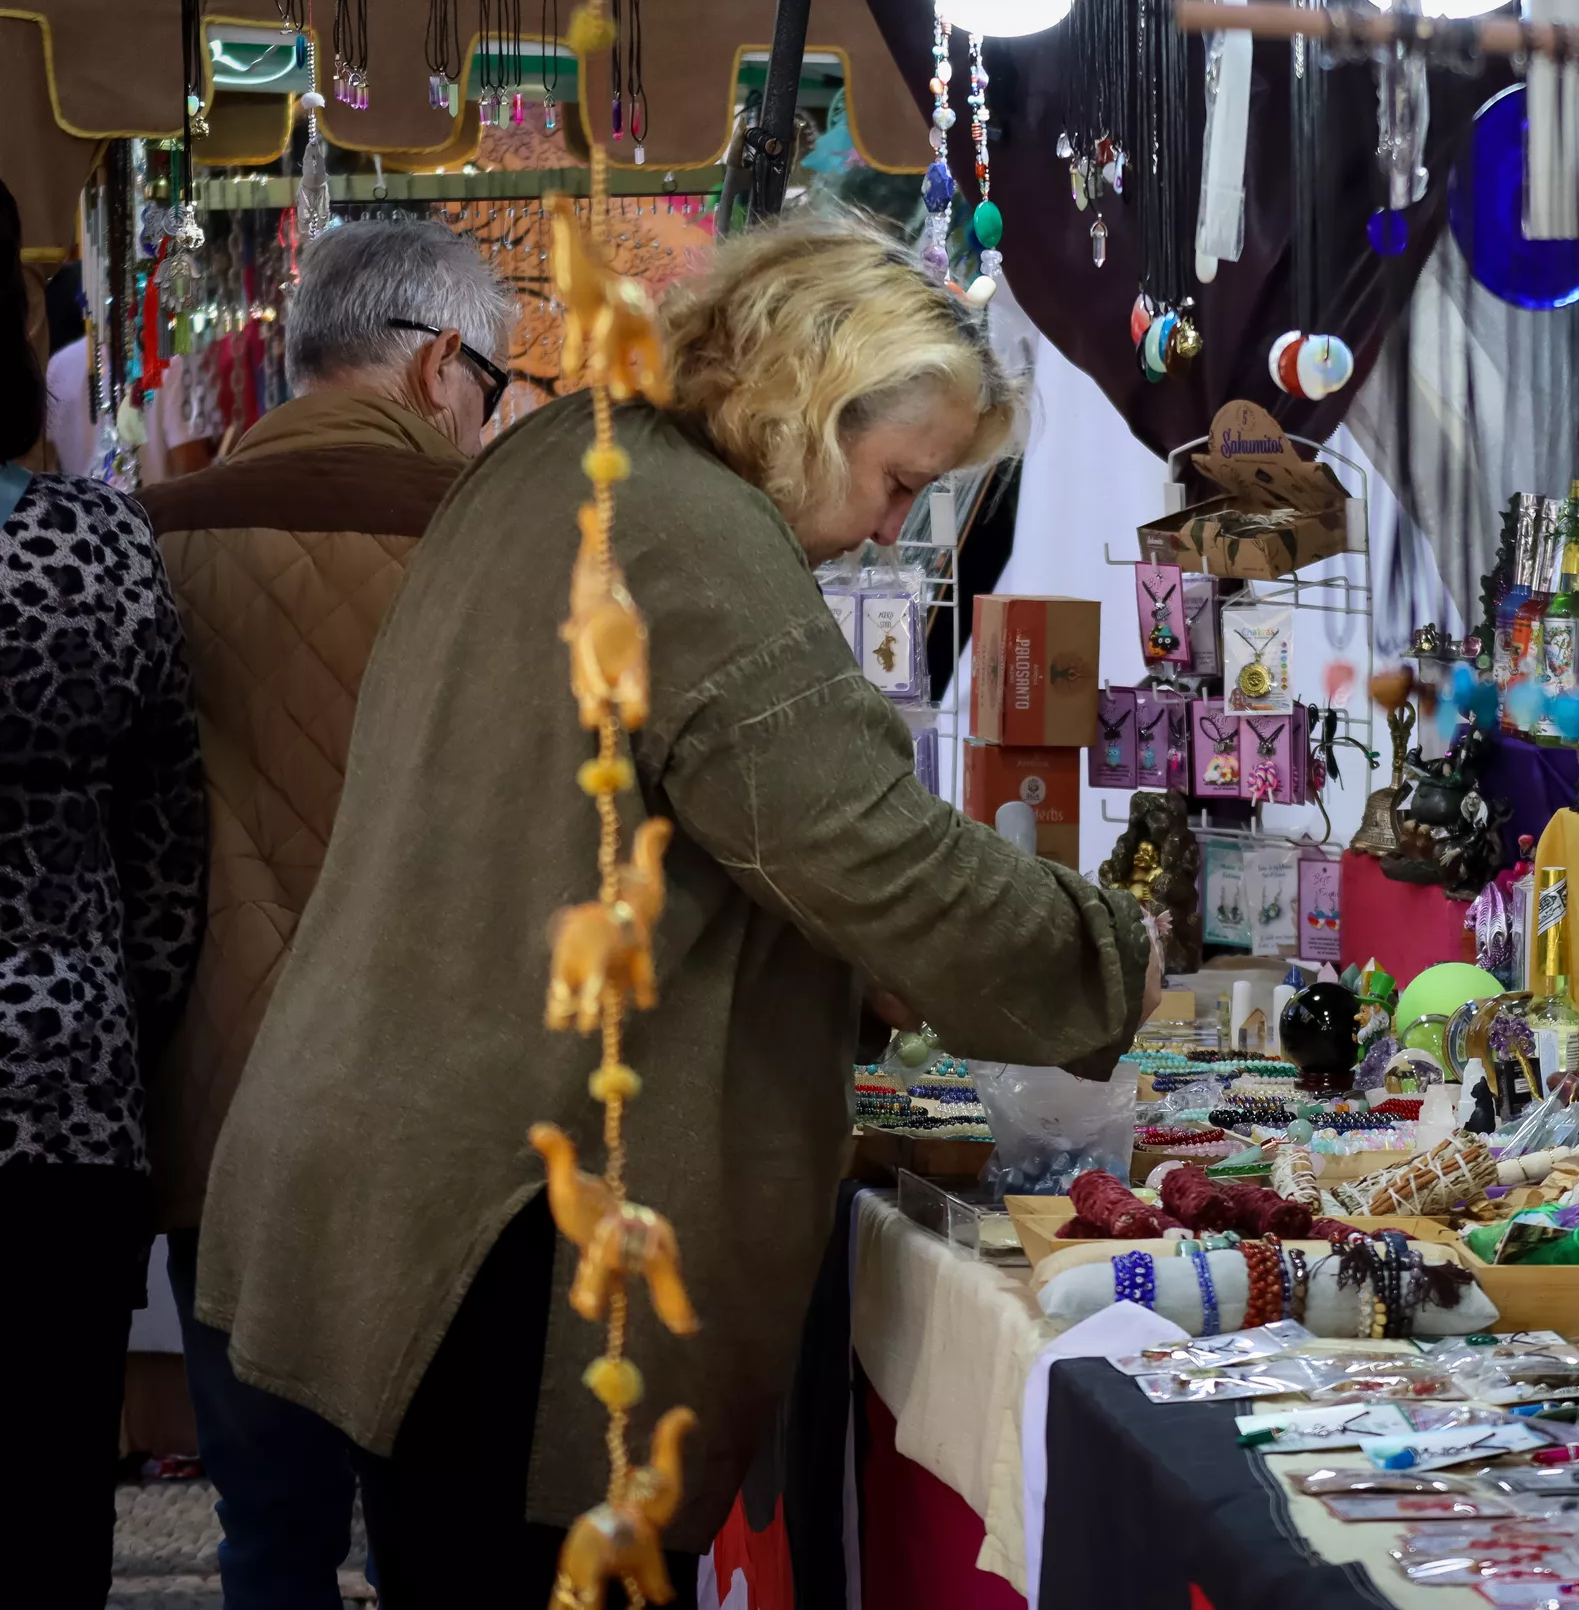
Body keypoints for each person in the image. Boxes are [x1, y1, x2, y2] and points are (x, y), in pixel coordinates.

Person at [196, 214, 1159, 1608]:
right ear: (809, 401)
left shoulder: (567, 454)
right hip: (509, 1227)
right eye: (897, 481)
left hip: (397, 1168)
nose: (895, 525)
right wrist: (1113, 959)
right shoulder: (693, 535)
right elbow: (868, 848)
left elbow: (678, 833)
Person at [143, 217, 513, 1610]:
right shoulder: (500, 551)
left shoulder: (154, 536)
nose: (486, 418)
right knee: (445, 1533)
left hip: (223, 1120)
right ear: (436, 372)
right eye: (488, 383)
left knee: (268, 1532)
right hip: (445, 1128)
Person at [0, 176, 207, 1604]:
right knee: (44, 1481)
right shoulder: (96, 546)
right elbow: (170, 848)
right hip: (65, 1083)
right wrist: (129, 1012)